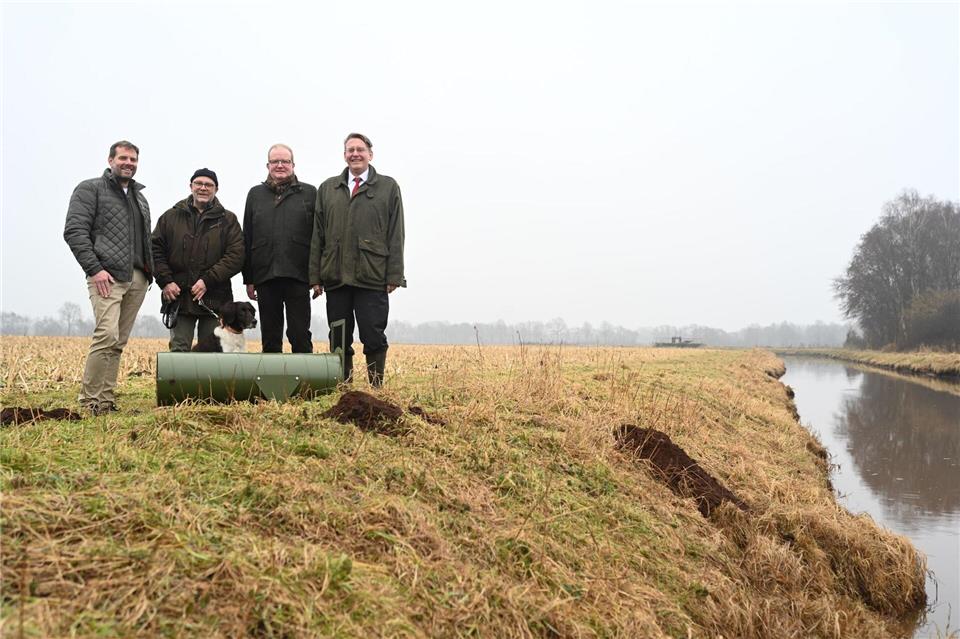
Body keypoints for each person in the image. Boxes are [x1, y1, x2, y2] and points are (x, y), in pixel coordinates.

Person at [63, 140, 153, 414]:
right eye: (123, 158)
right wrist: (95, 269)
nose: (129, 163)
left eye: (133, 159)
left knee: (118, 342)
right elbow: (74, 231)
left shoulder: (140, 198)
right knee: (106, 334)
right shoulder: (90, 189)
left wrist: (149, 274)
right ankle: (89, 401)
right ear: (110, 160)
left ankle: (106, 401)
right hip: (106, 276)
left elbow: (144, 240)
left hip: (137, 278)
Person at [310, 133, 406, 387]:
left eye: (360, 149)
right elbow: (317, 235)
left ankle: (376, 386)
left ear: (370, 155)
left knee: (373, 334)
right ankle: (344, 385)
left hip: (372, 276)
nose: (355, 154)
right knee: (339, 335)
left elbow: (396, 233)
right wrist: (315, 276)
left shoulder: (387, 187)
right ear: (344, 155)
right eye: (350, 150)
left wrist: (394, 275)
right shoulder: (328, 188)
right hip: (336, 276)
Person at [151, 168, 244, 351]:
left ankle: (207, 382)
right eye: (198, 183)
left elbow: (236, 256)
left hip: (215, 301)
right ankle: (179, 381)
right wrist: (166, 281)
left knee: (212, 354)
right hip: (179, 298)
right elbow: (155, 250)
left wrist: (207, 280)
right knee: (179, 351)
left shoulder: (228, 220)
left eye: (208, 185)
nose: (203, 188)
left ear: (216, 189)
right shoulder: (170, 217)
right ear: (191, 186)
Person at [242, 144, 316, 353]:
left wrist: (318, 276)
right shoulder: (255, 194)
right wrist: (249, 278)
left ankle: (305, 382)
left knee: (299, 334)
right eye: (275, 161)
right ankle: (272, 383)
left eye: (285, 161)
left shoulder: (309, 193)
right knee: (270, 336)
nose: (280, 165)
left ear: (293, 165)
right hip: (265, 275)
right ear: (268, 165)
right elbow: (248, 235)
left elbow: (319, 236)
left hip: (299, 275)